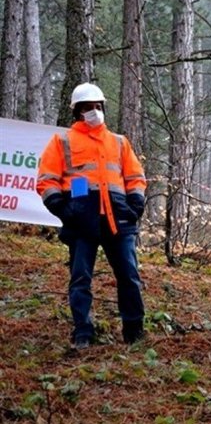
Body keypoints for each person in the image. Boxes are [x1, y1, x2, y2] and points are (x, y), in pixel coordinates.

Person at [36, 82, 147, 350]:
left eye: (98, 106)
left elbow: (135, 177)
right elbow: (47, 180)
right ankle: (83, 331)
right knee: (80, 278)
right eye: (88, 107)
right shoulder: (62, 141)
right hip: (81, 221)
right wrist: (63, 210)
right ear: (77, 111)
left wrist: (135, 206)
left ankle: (134, 330)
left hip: (118, 219)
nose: (94, 111)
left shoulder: (119, 142)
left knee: (129, 276)